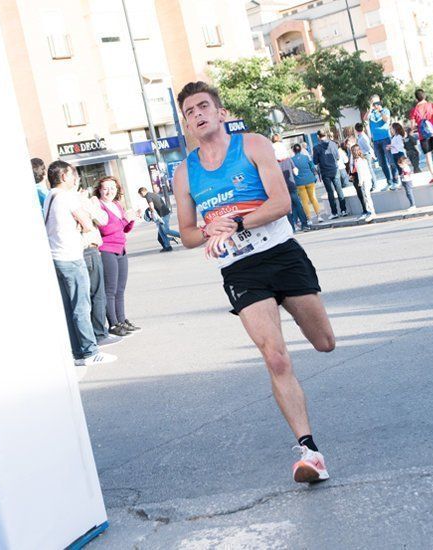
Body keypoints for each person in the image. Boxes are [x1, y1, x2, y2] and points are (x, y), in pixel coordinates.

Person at [172, 81, 335, 484]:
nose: (198, 114)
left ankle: (302, 321)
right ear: (187, 123)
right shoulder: (184, 173)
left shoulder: (253, 145)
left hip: (281, 254)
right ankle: (309, 452)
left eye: (204, 106)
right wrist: (211, 230)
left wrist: (238, 221)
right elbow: (187, 234)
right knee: (275, 357)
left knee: (324, 342)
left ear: (221, 112)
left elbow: (281, 203)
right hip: (241, 269)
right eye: (190, 111)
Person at [43, 161, 116, 367]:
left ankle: (78, 352)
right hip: (71, 256)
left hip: (56, 256)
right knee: (81, 306)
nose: (75, 178)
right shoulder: (67, 197)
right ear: (64, 176)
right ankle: (90, 351)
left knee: (69, 307)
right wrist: (80, 224)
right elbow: (86, 224)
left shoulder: (50, 196)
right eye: (72, 175)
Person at [95, 176, 141, 336]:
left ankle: (122, 320)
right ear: (100, 190)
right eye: (106, 188)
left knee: (120, 289)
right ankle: (113, 324)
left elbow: (124, 229)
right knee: (110, 289)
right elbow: (106, 229)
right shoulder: (99, 206)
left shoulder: (116, 205)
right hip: (107, 250)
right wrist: (124, 221)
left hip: (121, 249)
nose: (109, 191)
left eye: (112, 188)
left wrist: (131, 219)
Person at [80, 188, 111, 345]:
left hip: (79, 253)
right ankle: (99, 333)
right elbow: (103, 219)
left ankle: (95, 333)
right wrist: (91, 203)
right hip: (89, 250)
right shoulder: (79, 200)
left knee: (87, 295)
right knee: (97, 294)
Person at [409, 89, 433, 184]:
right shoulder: (431, 105)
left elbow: (412, 126)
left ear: (416, 98)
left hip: (423, 136)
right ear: (424, 96)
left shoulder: (414, 110)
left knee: (428, 156)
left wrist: (420, 128)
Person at [312, 129, 348, 219]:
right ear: (326, 135)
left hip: (325, 171)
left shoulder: (316, 147)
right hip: (334, 169)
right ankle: (343, 210)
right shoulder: (333, 144)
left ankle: (334, 212)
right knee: (339, 190)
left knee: (330, 193)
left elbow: (315, 161)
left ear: (318, 137)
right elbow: (337, 157)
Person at [367, 95, 400, 187]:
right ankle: (389, 182)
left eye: (377, 102)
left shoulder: (385, 110)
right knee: (382, 163)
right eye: (373, 103)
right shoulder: (371, 112)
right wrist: (370, 109)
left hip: (385, 139)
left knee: (391, 161)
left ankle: (396, 180)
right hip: (376, 141)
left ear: (380, 102)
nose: (375, 105)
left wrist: (380, 110)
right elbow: (365, 119)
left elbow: (386, 120)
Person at [138, 186, 180, 252]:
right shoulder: (152, 194)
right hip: (162, 214)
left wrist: (152, 215)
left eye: (140, 195)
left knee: (166, 231)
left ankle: (183, 236)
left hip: (164, 215)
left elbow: (151, 206)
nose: (141, 196)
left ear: (142, 192)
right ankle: (167, 247)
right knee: (161, 232)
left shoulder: (147, 196)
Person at [281, 147, 310, 231]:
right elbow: (295, 171)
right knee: (298, 204)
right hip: (291, 184)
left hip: (283, 187)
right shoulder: (288, 160)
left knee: (288, 208)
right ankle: (304, 224)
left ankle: (292, 227)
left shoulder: (274, 162)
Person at [291, 143, 320, 224]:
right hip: (310, 180)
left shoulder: (292, 160)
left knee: (304, 201)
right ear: (300, 149)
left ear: (293, 151)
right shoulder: (306, 157)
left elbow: (292, 172)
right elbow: (312, 167)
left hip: (299, 182)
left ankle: (309, 219)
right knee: (313, 199)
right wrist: (315, 177)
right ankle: (319, 216)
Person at [350, 145, 375, 223]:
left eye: (354, 151)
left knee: (367, 197)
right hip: (368, 179)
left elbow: (360, 173)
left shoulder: (358, 160)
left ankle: (372, 213)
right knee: (367, 197)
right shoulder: (363, 159)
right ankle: (371, 212)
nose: (354, 152)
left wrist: (360, 182)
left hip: (364, 181)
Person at [342, 136, 366, 208]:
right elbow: (351, 165)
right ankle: (364, 209)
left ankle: (366, 209)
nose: (347, 146)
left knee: (361, 193)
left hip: (358, 174)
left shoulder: (356, 151)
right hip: (354, 175)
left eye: (348, 144)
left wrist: (352, 173)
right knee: (359, 193)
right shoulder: (351, 152)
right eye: (347, 145)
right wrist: (351, 174)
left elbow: (357, 165)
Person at [388, 123, 406, 191]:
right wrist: (390, 147)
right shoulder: (394, 137)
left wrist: (391, 146)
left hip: (399, 154)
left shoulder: (399, 136)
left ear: (395, 129)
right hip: (395, 154)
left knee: (402, 169)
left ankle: (404, 182)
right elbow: (395, 146)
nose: (391, 130)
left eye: (391, 128)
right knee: (399, 170)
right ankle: (403, 182)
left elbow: (400, 146)